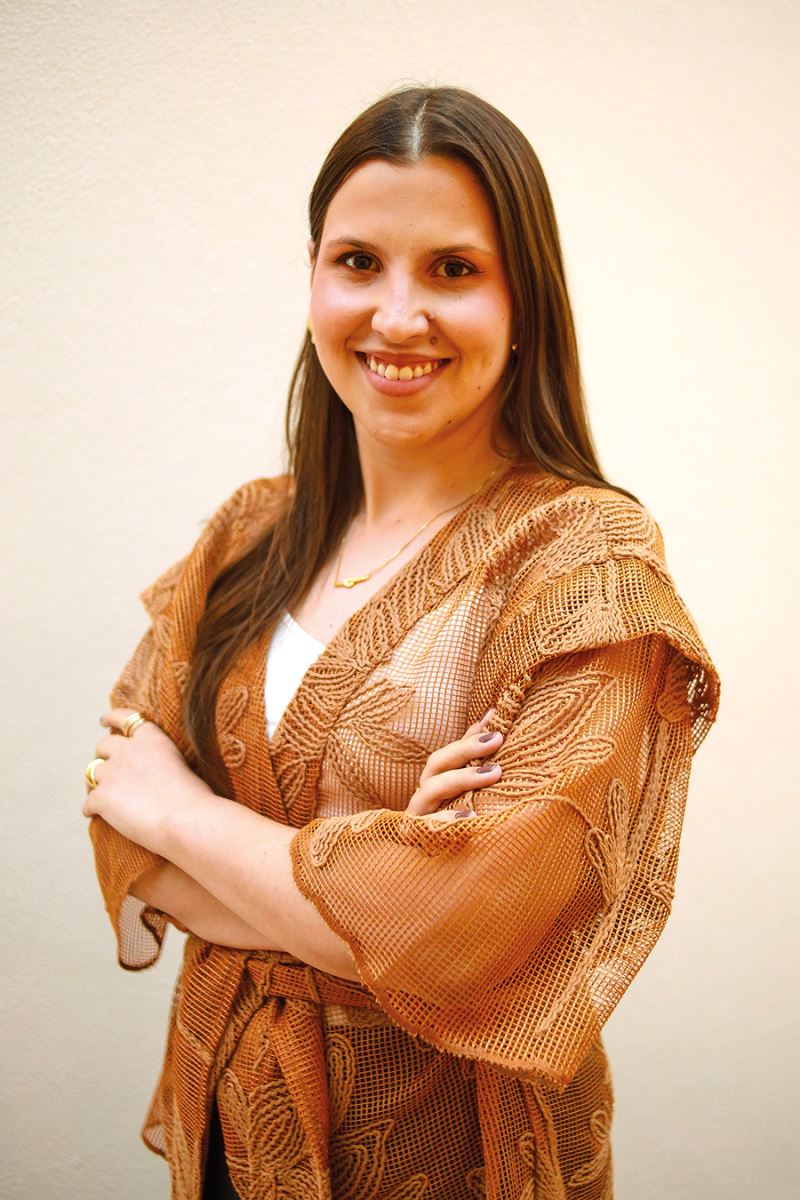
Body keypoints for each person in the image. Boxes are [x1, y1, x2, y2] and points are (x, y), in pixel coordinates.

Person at [83, 84, 719, 1200]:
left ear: (524, 297)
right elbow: (116, 825)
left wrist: (183, 814)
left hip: (453, 1151)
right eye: (358, 262)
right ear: (313, 277)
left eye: (452, 270)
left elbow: (471, 934)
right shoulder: (248, 533)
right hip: (229, 1127)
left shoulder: (582, 564)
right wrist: (371, 876)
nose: (396, 315)